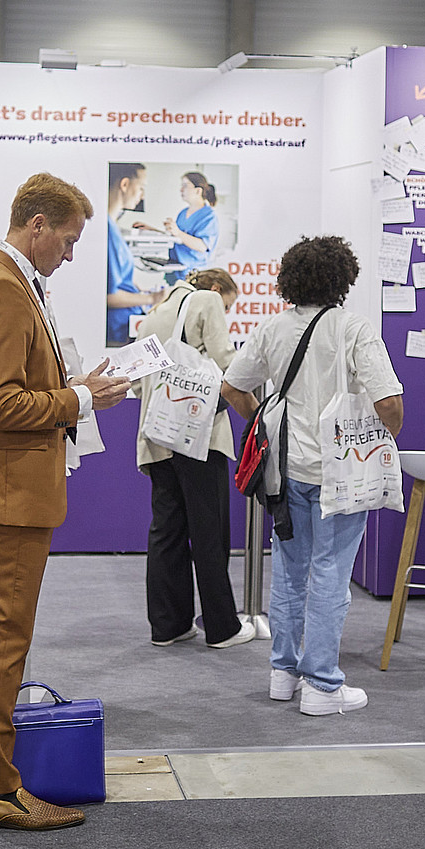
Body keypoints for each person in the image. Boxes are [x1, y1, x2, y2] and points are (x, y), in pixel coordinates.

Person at [0, 172, 130, 830]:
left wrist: (74, 385)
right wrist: (81, 399)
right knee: (3, 635)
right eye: (68, 241)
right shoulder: (4, 286)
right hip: (12, 487)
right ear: (38, 225)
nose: (71, 255)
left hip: (2, 483)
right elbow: (4, 405)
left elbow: (11, 386)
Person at [222, 236, 404, 716]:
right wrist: (384, 440)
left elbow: (232, 387)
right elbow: (388, 402)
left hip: (284, 472)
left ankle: (283, 674)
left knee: (289, 571)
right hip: (340, 471)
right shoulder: (353, 328)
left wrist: (261, 420)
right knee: (330, 574)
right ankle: (321, 685)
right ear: (343, 278)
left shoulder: (273, 328)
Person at [135, 267, 253, 649]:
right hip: (197, 436)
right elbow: (229, 364)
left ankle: (169, 626)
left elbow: (138, 385)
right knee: (209, 533)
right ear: (217, 289)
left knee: (166, 532)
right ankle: (222, 628)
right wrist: (256, 413)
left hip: (157, 437)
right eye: (229, 306)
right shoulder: (206, 300)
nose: (226, 312)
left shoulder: (153, 314)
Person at [106, 162, 164, 345]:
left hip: (125, 322)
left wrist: (136, 287)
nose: (142, 195)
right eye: (141, 188)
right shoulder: (106, 231)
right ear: (124, 184)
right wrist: (152, 298)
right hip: (116, 329)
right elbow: (107, 295)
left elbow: (116, 279)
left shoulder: (112, 226)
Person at [138, 171, 220, 283]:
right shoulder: (183, 213)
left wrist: (178, 232)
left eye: (185, 186)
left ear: (198, 191)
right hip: (175, 270)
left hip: (194, 274)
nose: (181, 190)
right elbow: (177, 237)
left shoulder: (209, 216)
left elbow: (203, 246)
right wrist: (152, 229)